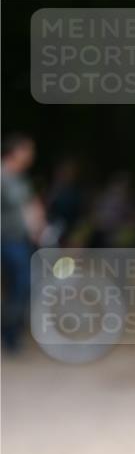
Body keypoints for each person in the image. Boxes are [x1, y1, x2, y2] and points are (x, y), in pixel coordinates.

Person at [1, 133, 43, 352]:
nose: (31, 155)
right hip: (6, 240)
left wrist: (38, 226)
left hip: (19, 240)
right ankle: (9, 333)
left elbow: (28, 205)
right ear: (15, 151)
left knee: (21, 286)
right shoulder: (2, 177)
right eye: (28, 150)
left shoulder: (19, 178)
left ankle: (11, 333)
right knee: (22, 283)